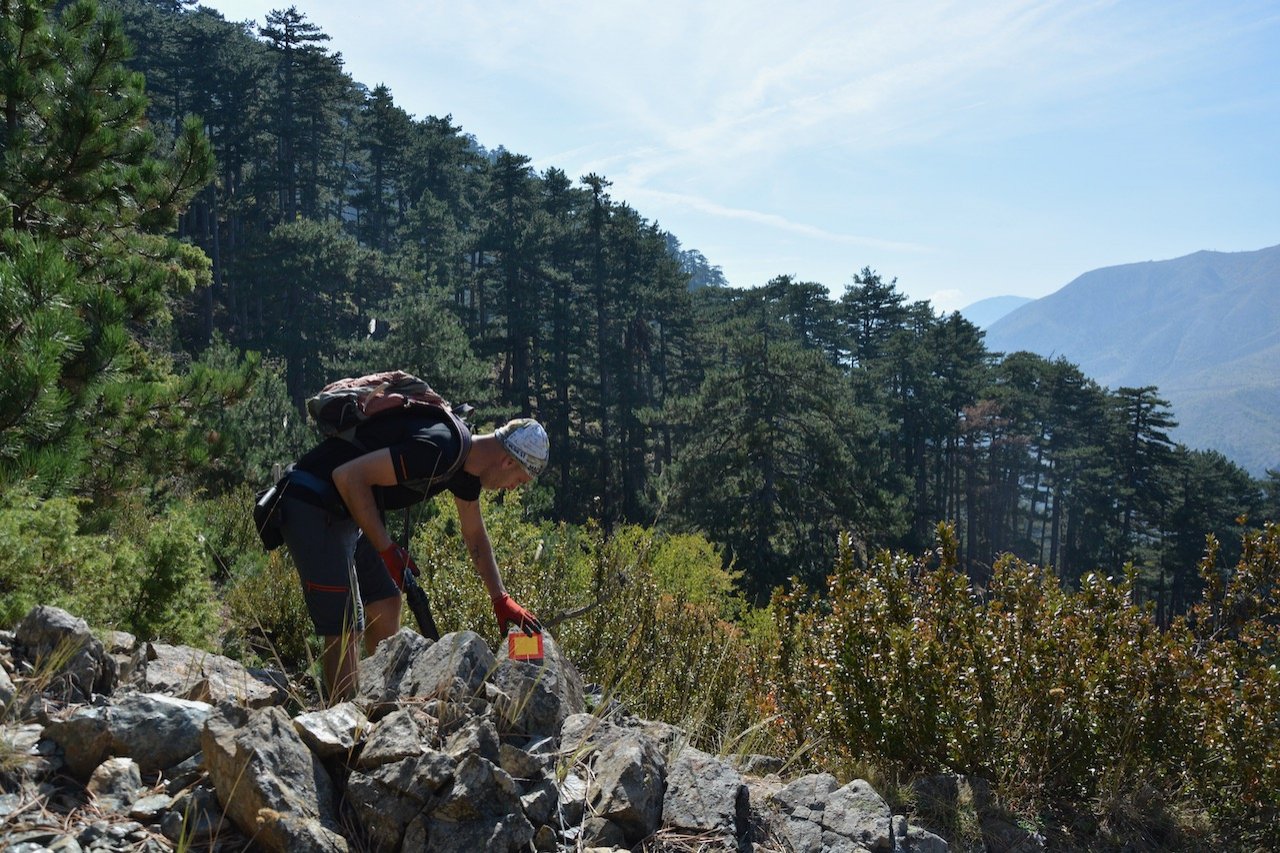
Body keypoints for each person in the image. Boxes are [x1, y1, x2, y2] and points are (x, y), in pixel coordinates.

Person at [275, 407, 547, 701]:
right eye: (518, 481)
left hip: (350, 508)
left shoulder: (465, 469)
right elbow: (348, 476)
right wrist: (387, 549)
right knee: (346, 625)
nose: (511, 488)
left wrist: (500, 598)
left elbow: (475, 534)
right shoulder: (441, 448)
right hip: (313, 500)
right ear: (508, 461)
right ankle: (345, 720)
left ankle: (378, 699)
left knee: (386, 601)